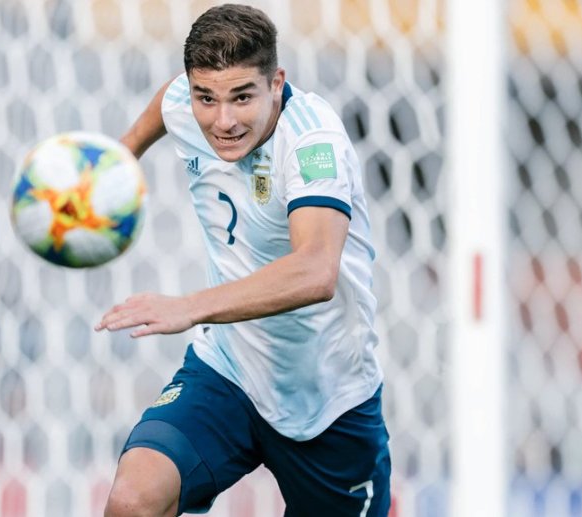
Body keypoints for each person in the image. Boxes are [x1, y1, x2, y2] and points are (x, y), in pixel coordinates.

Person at [95, 4, 390, 516]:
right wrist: (108, 171)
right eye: (206, 98)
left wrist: (190, 307)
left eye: (242, 97)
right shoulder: (183, 102)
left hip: (328, 403)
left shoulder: (312, 142)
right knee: (132, 501)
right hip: (228, 371)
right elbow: (159, 113)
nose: (223, 121)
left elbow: (316, 271)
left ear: (276, 83)